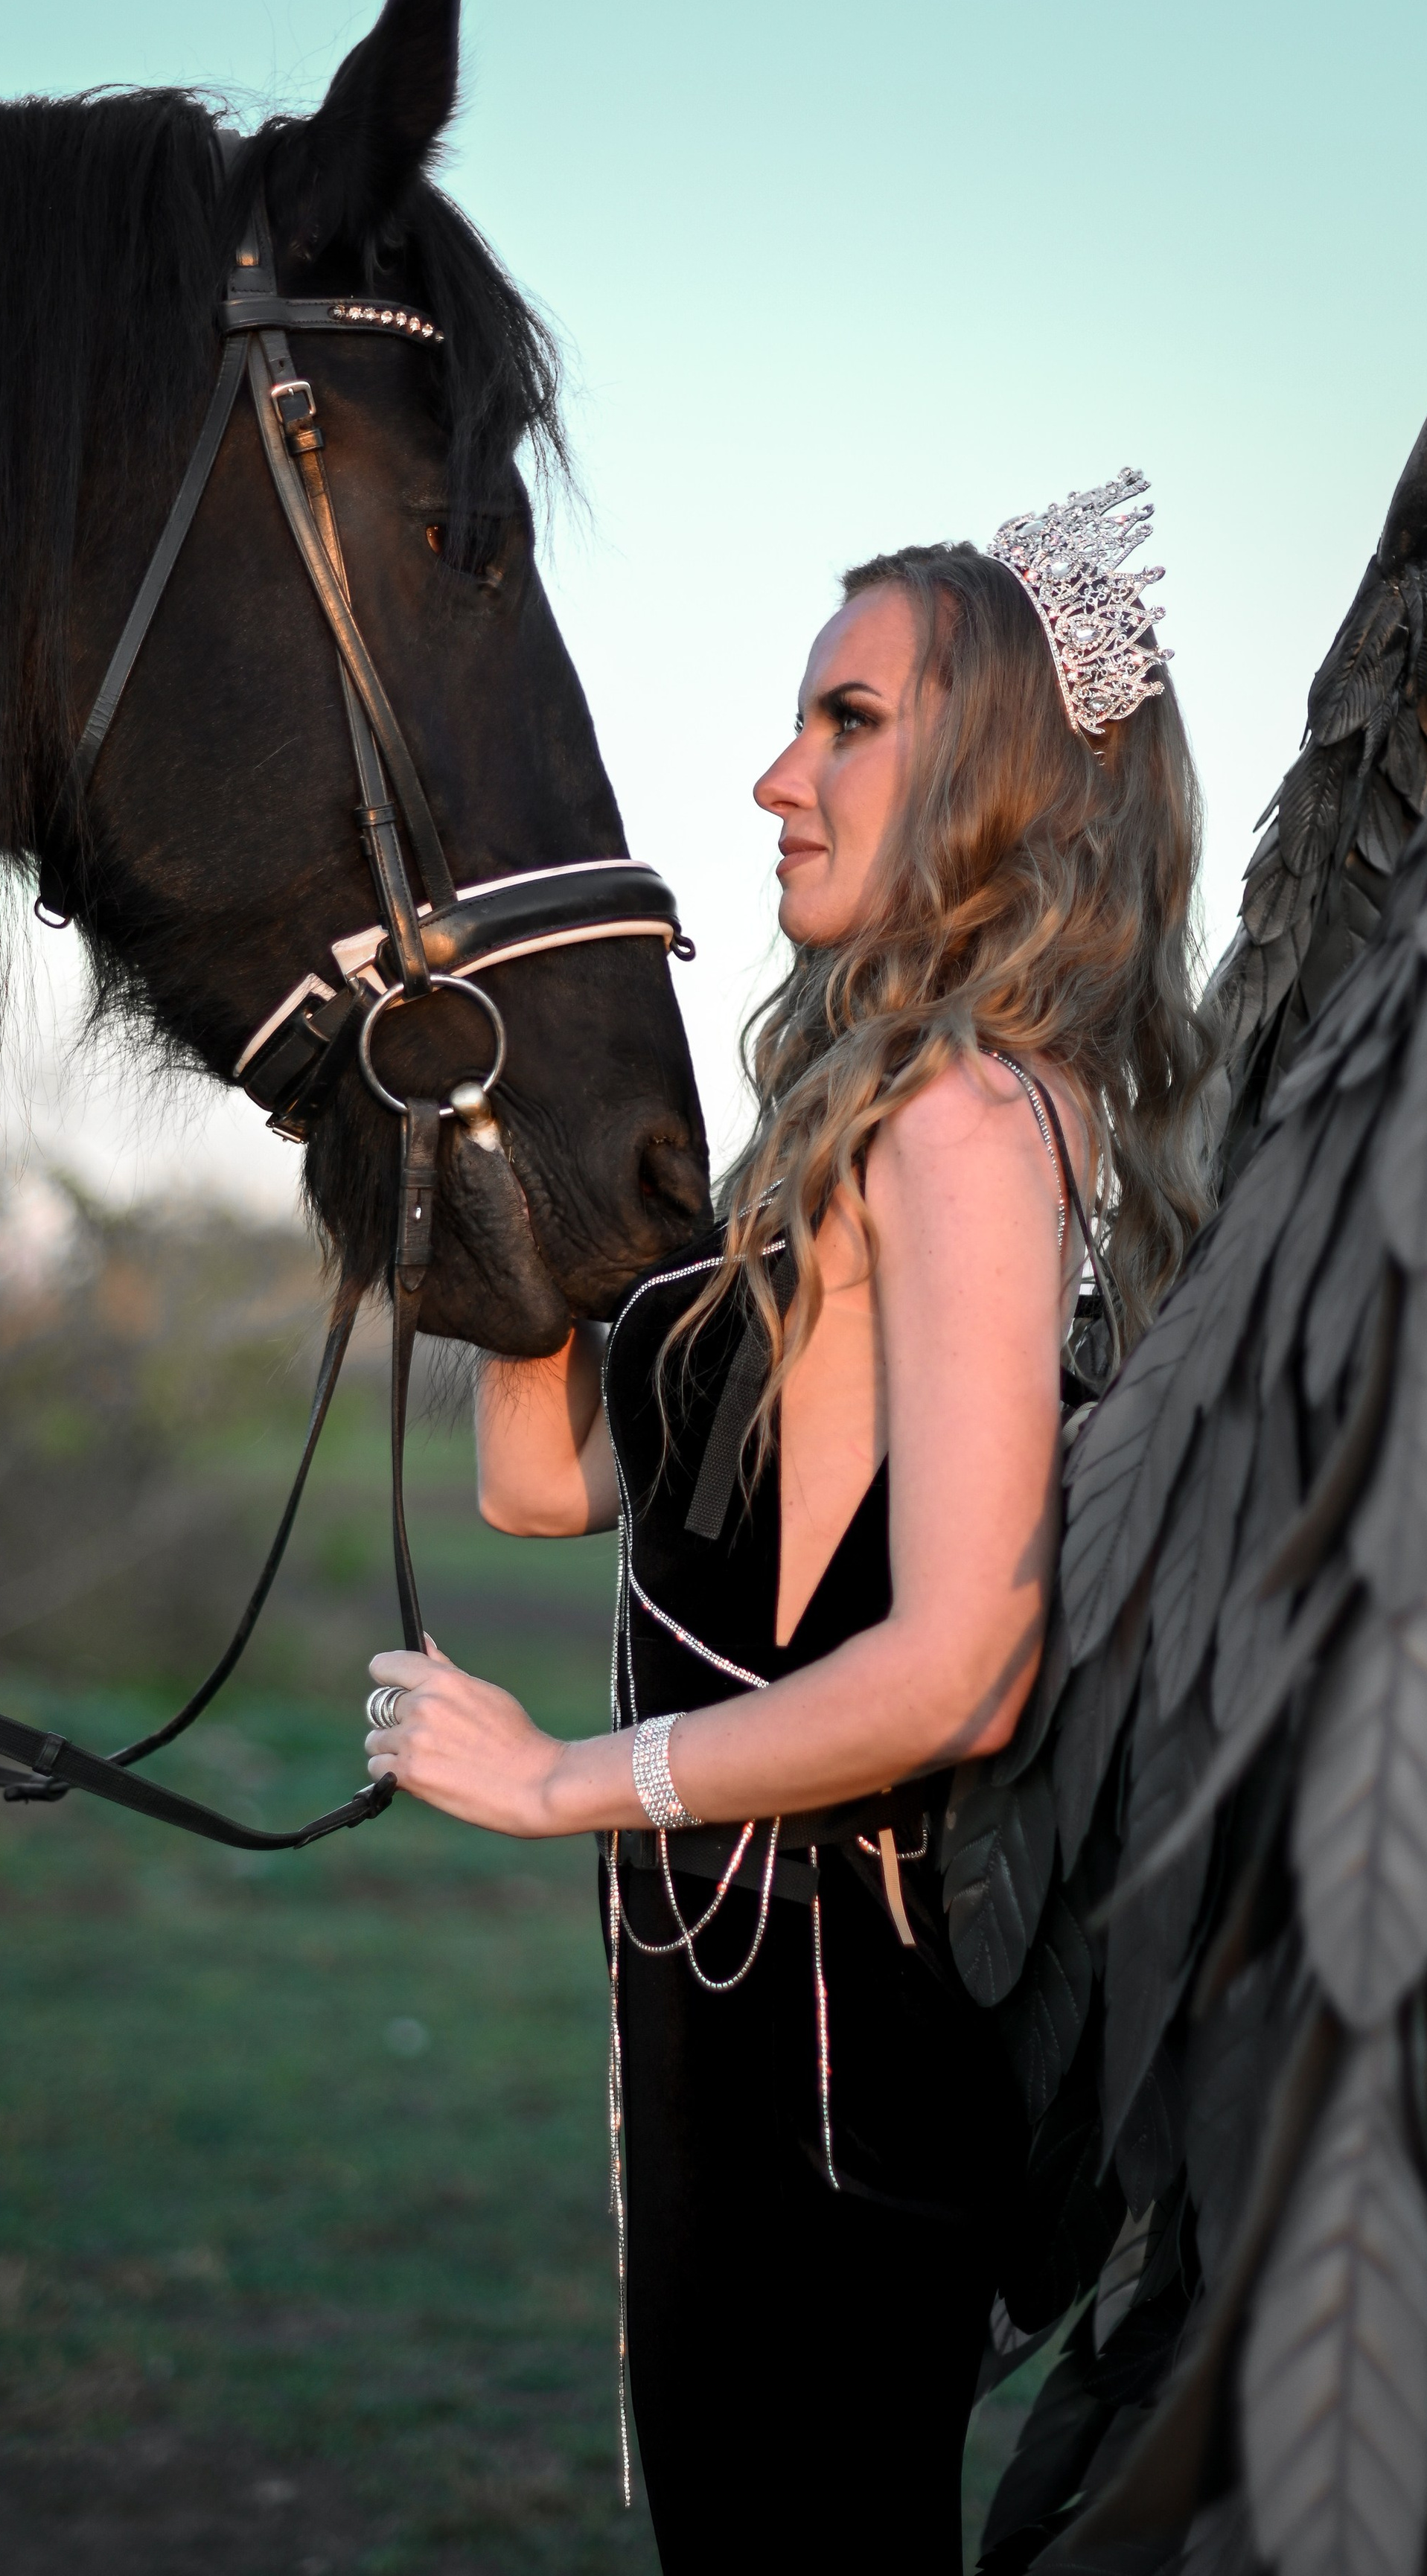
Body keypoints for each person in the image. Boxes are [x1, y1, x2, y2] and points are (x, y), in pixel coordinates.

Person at [361, 481, 1210, 2569]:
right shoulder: (886, 1100)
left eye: (845, 720)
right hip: (737, 2009)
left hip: (833, 2028)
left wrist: (571, 1779)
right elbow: (545, 1486)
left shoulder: (961, 1121)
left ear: (997, 778)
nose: (774, 774)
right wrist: (490, 1144)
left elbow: (957, 1661)